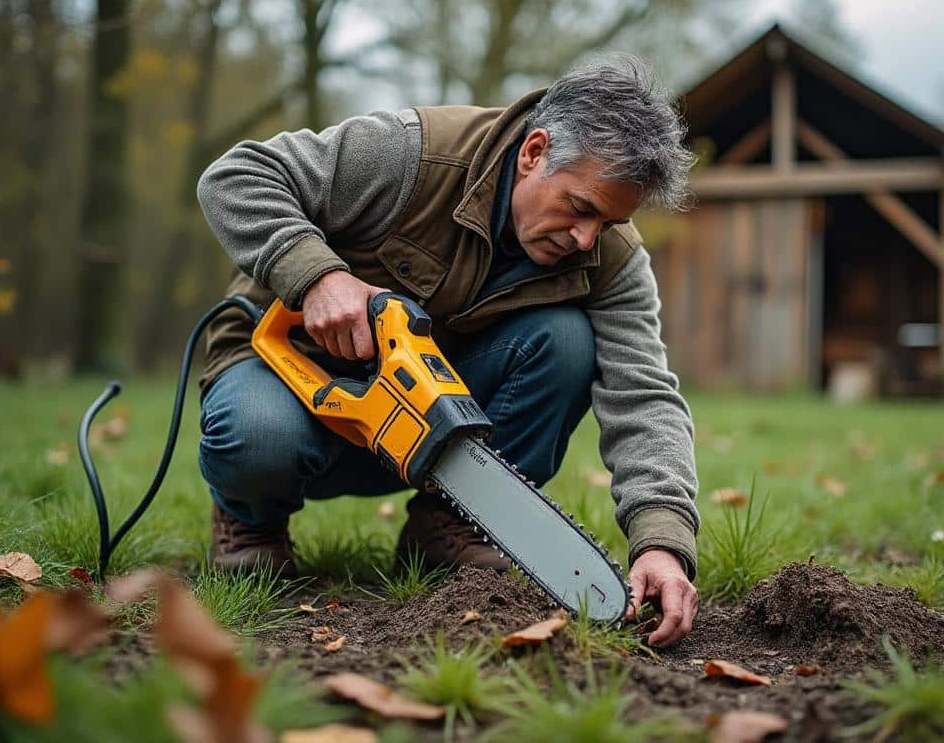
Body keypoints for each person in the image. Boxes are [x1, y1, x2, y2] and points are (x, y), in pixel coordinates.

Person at [194, 57, 701, 646]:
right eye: (580, 207)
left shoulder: (612, 261)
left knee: (566, 339)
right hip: (292, 380)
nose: (586, 238)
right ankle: (249, 522)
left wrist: (662, 539)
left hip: (434, 425)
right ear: (534, 152)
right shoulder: (408, 155)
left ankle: (452, 522)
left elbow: (642, 395)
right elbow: (236, 175)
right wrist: (315, 277)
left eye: (608, 222)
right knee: (258, 436)